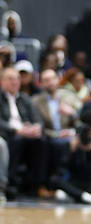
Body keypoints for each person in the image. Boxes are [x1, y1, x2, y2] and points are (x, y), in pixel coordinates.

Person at [0, 66, 48, 198]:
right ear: (1, 81)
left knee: (41, 141)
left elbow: (38, 119)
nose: (14, 82)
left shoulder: (25, 98)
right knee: (17, 140)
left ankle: (36, 185)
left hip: (27, 134)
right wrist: (17, 129)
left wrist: (36, 128)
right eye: (10, 79)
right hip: (8, 134)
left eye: (16, 79)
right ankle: (11, 183)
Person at [51, 110, 91, 204]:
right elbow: (63, 167)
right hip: (76, 181)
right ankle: (87, 197)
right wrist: (71, 151)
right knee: (55, 180)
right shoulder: (75, 141)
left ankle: (76, 195)